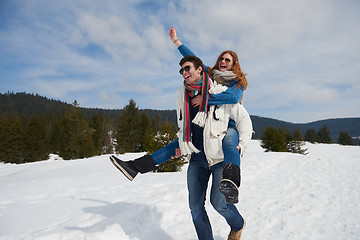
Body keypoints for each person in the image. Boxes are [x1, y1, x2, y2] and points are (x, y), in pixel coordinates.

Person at [110, 55, 252, 240]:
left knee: (219, 204)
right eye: (181, 70)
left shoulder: (219, 92)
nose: (184, 73)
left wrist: (243, 144)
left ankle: (238, 224)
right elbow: (184, 126)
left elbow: (243, 119)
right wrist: (182, 145)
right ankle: (134, 167)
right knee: (195, 208)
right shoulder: (182, 97)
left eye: (187, 68)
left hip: (217, 159)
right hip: (197, 160)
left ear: (200, 70)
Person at [169, 27, 249, 203]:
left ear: (234, 63)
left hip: (230, 122)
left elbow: (233, 98)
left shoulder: (238, 81)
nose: (222, 61)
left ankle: (231, 182)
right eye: (221, 58)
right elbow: (193, 59)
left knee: (229, 145)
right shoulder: (211, 73)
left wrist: (205, 100)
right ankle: (140, 165)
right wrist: (177, 42)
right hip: (212, 122)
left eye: (227, 59)